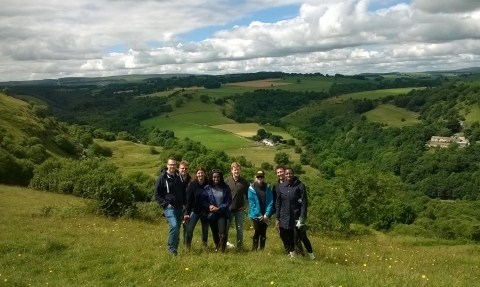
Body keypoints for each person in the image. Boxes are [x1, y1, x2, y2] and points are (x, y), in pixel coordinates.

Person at [275, 167, 315, 260]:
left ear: (293, 174)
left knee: (303, 237)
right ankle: (292, 255)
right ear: (284, 175)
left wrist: (302, 218)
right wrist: (277, 218)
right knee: (288, 237)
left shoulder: (300, 185)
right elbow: (278, 203)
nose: (288, 175)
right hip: (285, 217)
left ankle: (312, 256)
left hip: (297, 216)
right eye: (287, 174)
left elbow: (304, 203)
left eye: (290, 174)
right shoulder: (281, 187)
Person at [154, 157, 187, 256]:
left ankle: (175, 249)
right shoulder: (162, 178)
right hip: (169, 208)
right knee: (174, 226)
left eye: (174, 164)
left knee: (177, 229)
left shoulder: (179, 177)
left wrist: (184, 204)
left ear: (176, 165)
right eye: (170, 164)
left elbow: (183, 192)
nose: (172, 166)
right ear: (167, 165)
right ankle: (171, 250)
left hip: (179, 207)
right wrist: (165, 204)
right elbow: (156, 194)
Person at [202, 169, 232, 252]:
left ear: (221, 178)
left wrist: (219, 208)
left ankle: (222, 250)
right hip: (212, 214)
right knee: (215, 233)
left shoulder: (226, 188)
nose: (216, 179)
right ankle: (217, 247)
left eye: (218, 177)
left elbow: (228, 201)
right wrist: (209, 206)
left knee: (222, 233)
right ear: (211, 178)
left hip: (222, 213)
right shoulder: (207, 188)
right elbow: (204, 200)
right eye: (214, 177)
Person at [224, 162, 249, 249]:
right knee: (225, 229)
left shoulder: (244, 182)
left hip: (239, 210)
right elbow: (222, 194)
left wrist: (246, 205)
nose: (236, 171)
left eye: (238, 170)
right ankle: (224, 245)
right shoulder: (226, 181)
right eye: (235, 170)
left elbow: (249, 195)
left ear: (240, 170)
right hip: (228, 210)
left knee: (239, 229)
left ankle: (240, 246)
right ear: (231, 170)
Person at [248, 170, 274, 250]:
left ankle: (262, 249)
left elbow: (270, 201)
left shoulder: (267, 187)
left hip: (265, 214)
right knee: (257, 230)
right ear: (255, 177)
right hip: (256, 215)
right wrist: (259, 214)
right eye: (258, 176)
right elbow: (252, 203)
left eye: (261, 176)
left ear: (264, 177)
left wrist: (267, 214)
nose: (260, 178)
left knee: (263, 232)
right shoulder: (251, 187)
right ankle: (254, 248)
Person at [185, 166, 209, 247]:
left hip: (206, 211)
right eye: (199, 173)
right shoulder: (192, 184)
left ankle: (204, 245)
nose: (200, 174)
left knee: (205, 229)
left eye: (202, 173)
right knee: (189, 229)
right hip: (194, 210)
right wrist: (187, 212)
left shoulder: (209, 183)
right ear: (196, 174)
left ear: (205, 174)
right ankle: (187, 245)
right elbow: (189, 199)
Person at [179, 160, 192, 245]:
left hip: (188, 208)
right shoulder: (175, 180)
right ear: (179, 169)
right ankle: (175, 246)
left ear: (188, 169)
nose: (184, 170)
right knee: (176, 228)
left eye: (186, 168)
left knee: (187, 229)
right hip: (177, 207)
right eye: (182, 168)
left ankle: (187, 247)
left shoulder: (192, 181)